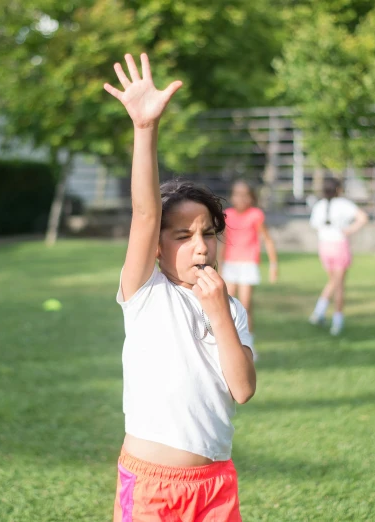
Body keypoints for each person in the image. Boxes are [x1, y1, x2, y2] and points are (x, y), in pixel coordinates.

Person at [104, 53, 256, 522]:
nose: (200, 246)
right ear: (155, 248)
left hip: (214, 485)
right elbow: (146, 214)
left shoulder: (229, 307)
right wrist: (145, 128)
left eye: (208, 233)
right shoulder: (146, 292)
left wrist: (219, 313)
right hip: (151, 484)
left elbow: (244, 389)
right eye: (183, 235)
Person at [218, 180, 278, 342]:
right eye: (237, 194)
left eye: (245, 195)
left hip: (248, 264)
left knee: (244, 305)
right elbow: (223, 241)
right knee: (227, 305)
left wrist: (273, 265)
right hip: (230, 264)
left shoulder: (255, 215)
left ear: (251, 197)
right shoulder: (227, 215)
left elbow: (267, 239)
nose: (241, 198)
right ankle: (228, 340)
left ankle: (247, 342)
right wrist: (219, 265)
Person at [308, 177, 369, 335]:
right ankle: (336, 321)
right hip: (339, 246)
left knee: (333, 282)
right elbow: (363, 218)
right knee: (338, 285)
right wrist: (350, 230)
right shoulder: (343, 204)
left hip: (325, 247)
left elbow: (315, 226)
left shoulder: (319, 205)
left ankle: (319, 312)